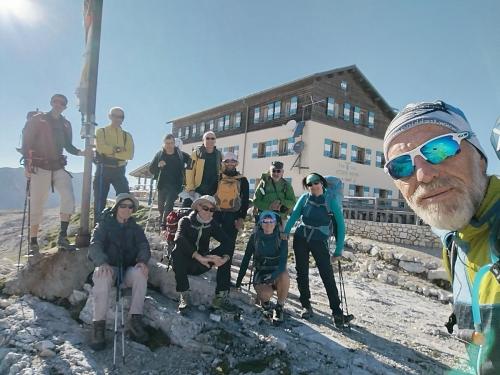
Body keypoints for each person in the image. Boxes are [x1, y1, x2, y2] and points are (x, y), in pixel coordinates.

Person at [383, 100, 499, 374]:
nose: (423, 175)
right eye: (401, 166)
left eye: (440, 149)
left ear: (480, 157)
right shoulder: (454, 244)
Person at [283, 172, 353, 327]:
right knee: (302, 272)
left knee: (327, 274)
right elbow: (294, 216)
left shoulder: (331, 201)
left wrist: (338, 250)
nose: (313, 186)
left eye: (316, 182)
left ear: (322, 183)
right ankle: (305, 305)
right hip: (301, 238)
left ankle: (336, 311)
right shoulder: (305, 198)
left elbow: (340, 226)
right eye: (310, 184)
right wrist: (286, 232)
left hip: (319, 241)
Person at [21, 94, 86, 253]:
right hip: (39, 166)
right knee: (37, 203)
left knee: (68, 197)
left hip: (57, 167)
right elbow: (26, 142)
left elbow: (68, 146)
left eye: (62, 103)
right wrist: (27, 165)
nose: (58, 104)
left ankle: (62, 237)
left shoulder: (65, 124)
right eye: (56, 102)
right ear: (51, 103)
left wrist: (81, 152)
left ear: (65, 106)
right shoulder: (38, 119)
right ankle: (33, 243)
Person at [88, 193, 151, 350]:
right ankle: (98, 326)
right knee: (101, 275)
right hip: (109, 267)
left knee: (140, 274)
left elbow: (144, 245)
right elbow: (95, 245)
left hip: (127, 269)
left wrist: (142, 261)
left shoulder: (135, 228)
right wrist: (102, 262)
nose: (127, 209)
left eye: (130, 207)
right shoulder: (104, 225)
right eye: (123, 206)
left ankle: (135, 320)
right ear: (116, 207)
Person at [171, 195, 235, 312]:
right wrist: (198, 256)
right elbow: (179, 238)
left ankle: (220, 296)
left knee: (226, 252)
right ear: (198, 207)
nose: (209, 212)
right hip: (186, 264)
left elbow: (228, 242)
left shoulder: (211, 224)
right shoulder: (185, 221)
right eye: (206, 208)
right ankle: (184, 294)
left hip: (203, 264)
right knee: (176, 251)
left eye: (212, 210)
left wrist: (224, 259)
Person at [236, 211, 289, 322]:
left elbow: (283, 264)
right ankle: (266, 306)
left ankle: (279, 307)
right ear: (260, 223)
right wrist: (238, 282)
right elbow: (246, 259)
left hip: (276, 272)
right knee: (266, 293)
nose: (268, 224)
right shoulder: (254, 238)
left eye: (271, 221)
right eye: (265, 221)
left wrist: (272, 277)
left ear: (275, 223)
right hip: (261, 273)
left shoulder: (282, 238)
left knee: (284, 276)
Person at [93, 107, 134, 222]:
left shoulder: (127, 135)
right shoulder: (101, 131)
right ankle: (98, 231)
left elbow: (129, 155)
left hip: (119, 171)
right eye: (115, 116)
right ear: (109, 116)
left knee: (125, 199)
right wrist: (119, 150)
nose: (117, 119)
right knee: (99, 202)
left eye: (120, 117)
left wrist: (110, 152)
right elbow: (100, 148)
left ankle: (122, 227)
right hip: (102, 170)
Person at [149, 134, 191, 229]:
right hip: (162, 185)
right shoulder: (159, 154)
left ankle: (164, 226)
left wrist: (187, 172)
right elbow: (151, 169)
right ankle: (164, 221)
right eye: (167, 143)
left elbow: (191, 162)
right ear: (164, 144)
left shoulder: (180, 154)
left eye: (171, 143)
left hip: (176, 185)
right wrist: (158, 166)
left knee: (168, 205)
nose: (169, 145)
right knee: (160, 206)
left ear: (174, 143)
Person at [213, 151, 250, 261]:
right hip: (216, 213)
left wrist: (241, 218)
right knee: (206, 239)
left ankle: (223, 276)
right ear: (223, 163)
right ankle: (205, 261)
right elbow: (210, 194)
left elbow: (245, 200)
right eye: (227, 161)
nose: (230, 163)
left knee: (229, 245)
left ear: (236, 163)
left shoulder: (243, 180)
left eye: (232, 161)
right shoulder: (217, 177)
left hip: (233, 215)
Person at [253, 161, 296, 225]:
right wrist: (269, 206)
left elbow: (292, 202)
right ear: (270, 171)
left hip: (280, 218)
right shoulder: (263, 183)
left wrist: (280, 203)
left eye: (278, 171)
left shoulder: (286, 185)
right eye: (273, 171)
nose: (276, 173)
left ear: (282, 172)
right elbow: (256, 201)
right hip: (265, 218)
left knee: (282, 234)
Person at [185, 131, 223, 199]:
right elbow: (189, 171)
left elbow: (223, 171)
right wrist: (190, 188)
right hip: (198, 190)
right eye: (207, 138)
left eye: (212, 138)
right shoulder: (196, 153)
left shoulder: (219, 154)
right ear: (203, 140)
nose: (210, 140)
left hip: (214, 191)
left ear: (215, 141)